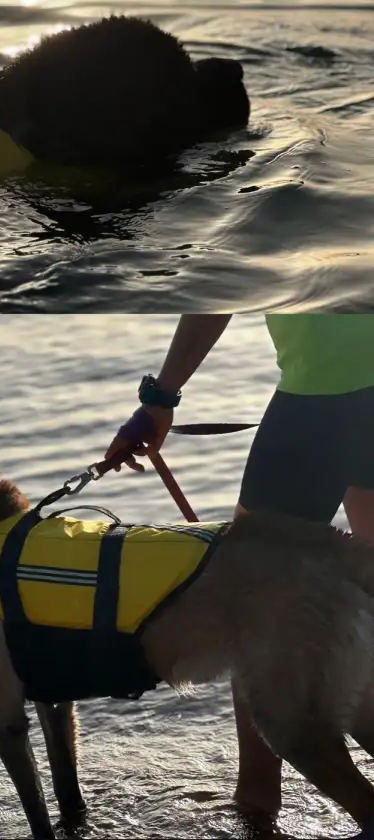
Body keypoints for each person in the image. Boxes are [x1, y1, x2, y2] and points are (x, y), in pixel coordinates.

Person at [104, 313, 374, 822]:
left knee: (252, 600)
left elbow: (215, 296)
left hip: (321, 392)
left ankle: (257, 807)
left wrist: (160, 398)